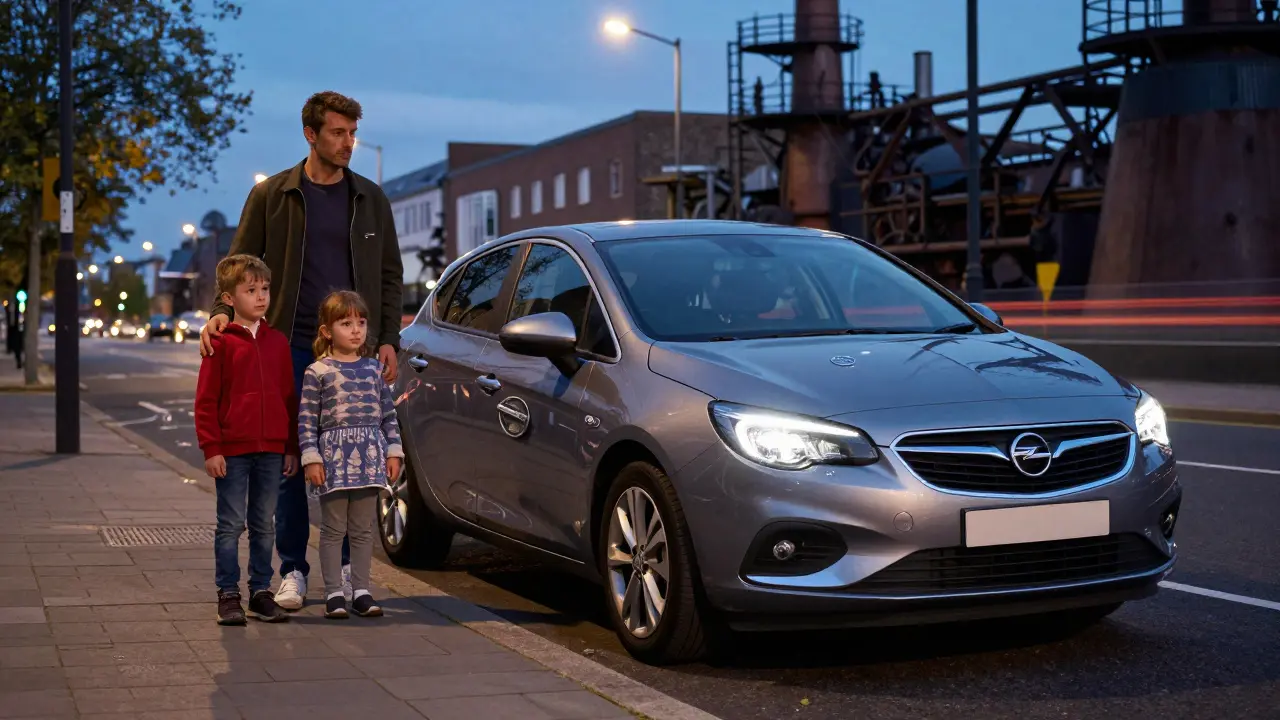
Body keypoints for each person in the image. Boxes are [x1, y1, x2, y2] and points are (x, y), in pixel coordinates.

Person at [199, 90, 404, 611]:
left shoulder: (371, 199)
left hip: (355, 350)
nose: (348, 143)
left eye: (352, 133)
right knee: (290, 460)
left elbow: (388, 275)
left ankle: (349, 579)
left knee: (354, 461)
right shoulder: (273, 195)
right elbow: (239, 261)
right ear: (310, 135)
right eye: (338, 133)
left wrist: (386, 339)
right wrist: (219, 311)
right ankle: (294, 570)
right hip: (290, 344)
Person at [195, 254, 296, 625]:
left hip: (271, 449)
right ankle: (228, 594)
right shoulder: (219, 343)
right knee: (230, 524)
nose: (260, 297)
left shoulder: (277, 343)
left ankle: (260, 591)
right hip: (233, 452)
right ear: (229, 298)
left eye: (265, 289)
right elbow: (205, 400)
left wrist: (290, 446)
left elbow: (288, 397)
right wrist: (212, 448)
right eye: (250, 290)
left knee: (264, 523)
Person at [297, 290, 402, 619]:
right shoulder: (318, 372)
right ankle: (333, 594)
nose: (356, 330)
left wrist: (393, 451)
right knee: (332, 529)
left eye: (361, 322)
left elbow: (389, 416)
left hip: (369, 459)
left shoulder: (373, 370)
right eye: (346, 323)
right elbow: (306, 420)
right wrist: (311, 458)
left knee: (363, 528)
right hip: (334, 462)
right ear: (327, 331)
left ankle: (361, 590)